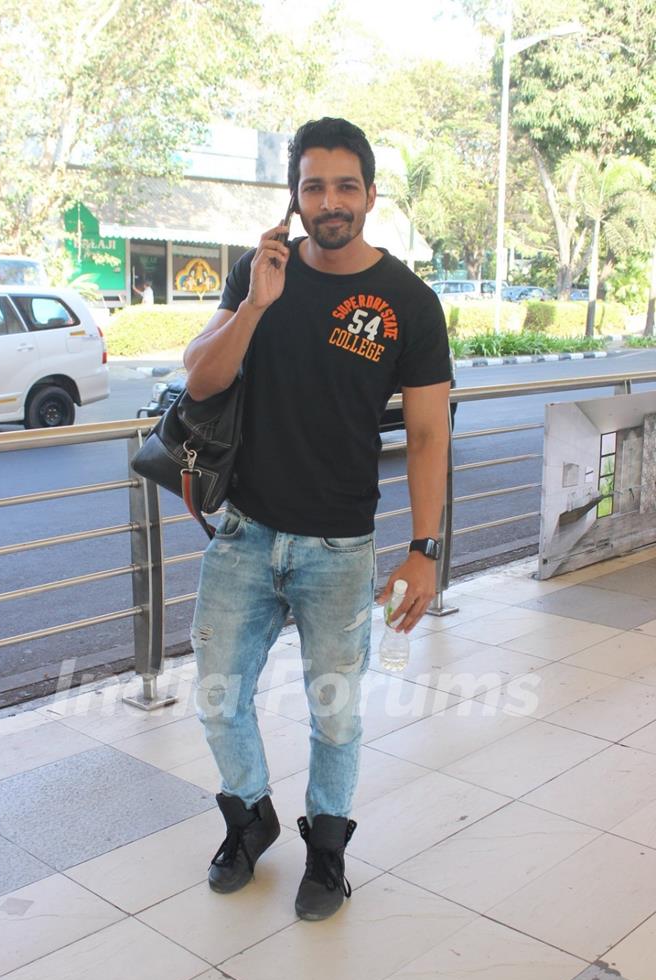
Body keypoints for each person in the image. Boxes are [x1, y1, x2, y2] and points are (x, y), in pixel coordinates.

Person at [184, 117, 452, 921]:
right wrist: (257, 305)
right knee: (216, 694)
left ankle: (327, 848)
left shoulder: (408, 302)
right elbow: (200, 381)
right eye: (312, 187)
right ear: (294, 198)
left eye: (344, 186)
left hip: (339, 547)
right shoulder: (257, 273)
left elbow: (431, 433)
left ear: (370, 194)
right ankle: (251, 813)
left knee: (335, 711)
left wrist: (424, 550)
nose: (328, 201)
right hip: (243, 534)